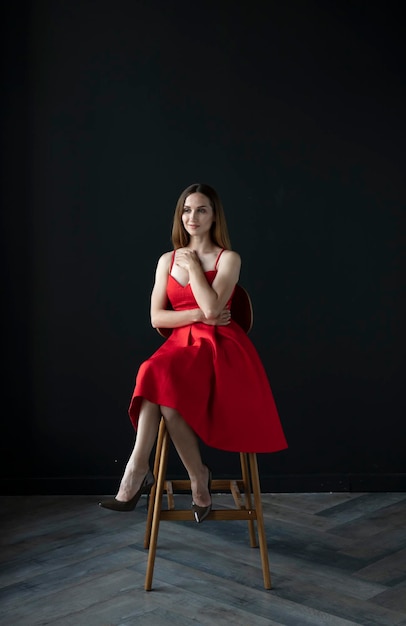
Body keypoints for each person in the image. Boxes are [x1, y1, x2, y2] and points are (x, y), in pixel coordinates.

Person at [100, 183, 287, 522]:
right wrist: (199, 315)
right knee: (161, 387)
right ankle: (193, 476)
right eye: (186, 210)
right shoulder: (166, 260)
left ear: (214, 216)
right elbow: (157, 317)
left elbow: (215, 310)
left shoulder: (228, 258)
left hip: (219, 348)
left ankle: (137, 473)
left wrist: (197, 271)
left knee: (154, 375)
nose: (192, 217)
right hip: (179, 347)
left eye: (201, 210)